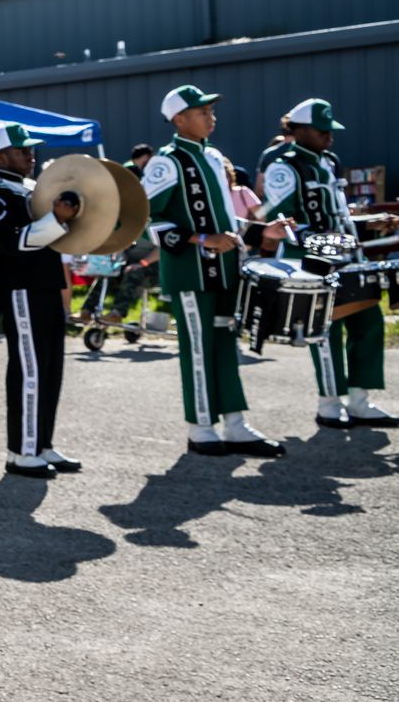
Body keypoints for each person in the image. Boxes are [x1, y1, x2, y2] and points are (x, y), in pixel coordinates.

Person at [142, 86, 283, 457]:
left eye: (210, 110)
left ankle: (235, 424)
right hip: (190, 272)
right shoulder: (166, 161)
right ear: (179, 119)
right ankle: (201, 426)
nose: (211, 117)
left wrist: (260, 231)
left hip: (224, 270)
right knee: (198, 348)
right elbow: (146, 221)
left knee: (224, 344)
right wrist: (200, 240)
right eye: (202, 111)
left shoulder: (213, 156)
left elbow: (224, 219)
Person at [261, 98, 396, 428]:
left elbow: (338, 213)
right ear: (300, 130)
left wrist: (370, 222)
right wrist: (334, 243)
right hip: (314, 262)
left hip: (349, 256)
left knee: (369, 322)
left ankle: (361, 400)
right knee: (327, 330)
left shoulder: (330, 162)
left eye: (330, 130)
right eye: (322, 131)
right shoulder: (284, 166)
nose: (329, 136)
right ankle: (329, 403)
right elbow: (287, 223)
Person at [0, 123, 84, 476]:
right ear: (0, 157)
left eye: (31, 150)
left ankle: (42, 443)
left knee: (50, 370)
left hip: (45, 289)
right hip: (21, 293)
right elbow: (11, 243)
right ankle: (22, 450)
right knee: (29, 370)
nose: (31, 155)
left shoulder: (30, 189)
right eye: (22, 151)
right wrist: (56, 220)